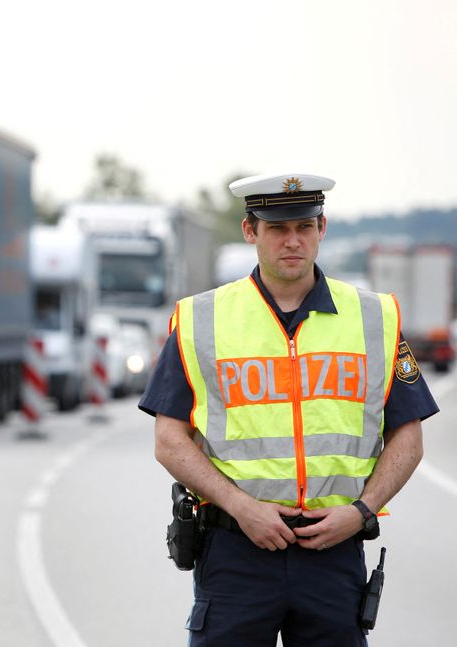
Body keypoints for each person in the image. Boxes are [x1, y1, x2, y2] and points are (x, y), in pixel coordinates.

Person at [139, 173, 438, 646]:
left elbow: (409, 438)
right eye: (277, 228)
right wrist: (241, 507)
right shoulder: (202, 319)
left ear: (322, 227)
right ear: (250, 231)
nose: (292, 240)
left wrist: (362, 511)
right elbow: (169, 440)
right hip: (237, 552)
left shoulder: (374, 317)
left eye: (304, 226)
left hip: (333, 553)